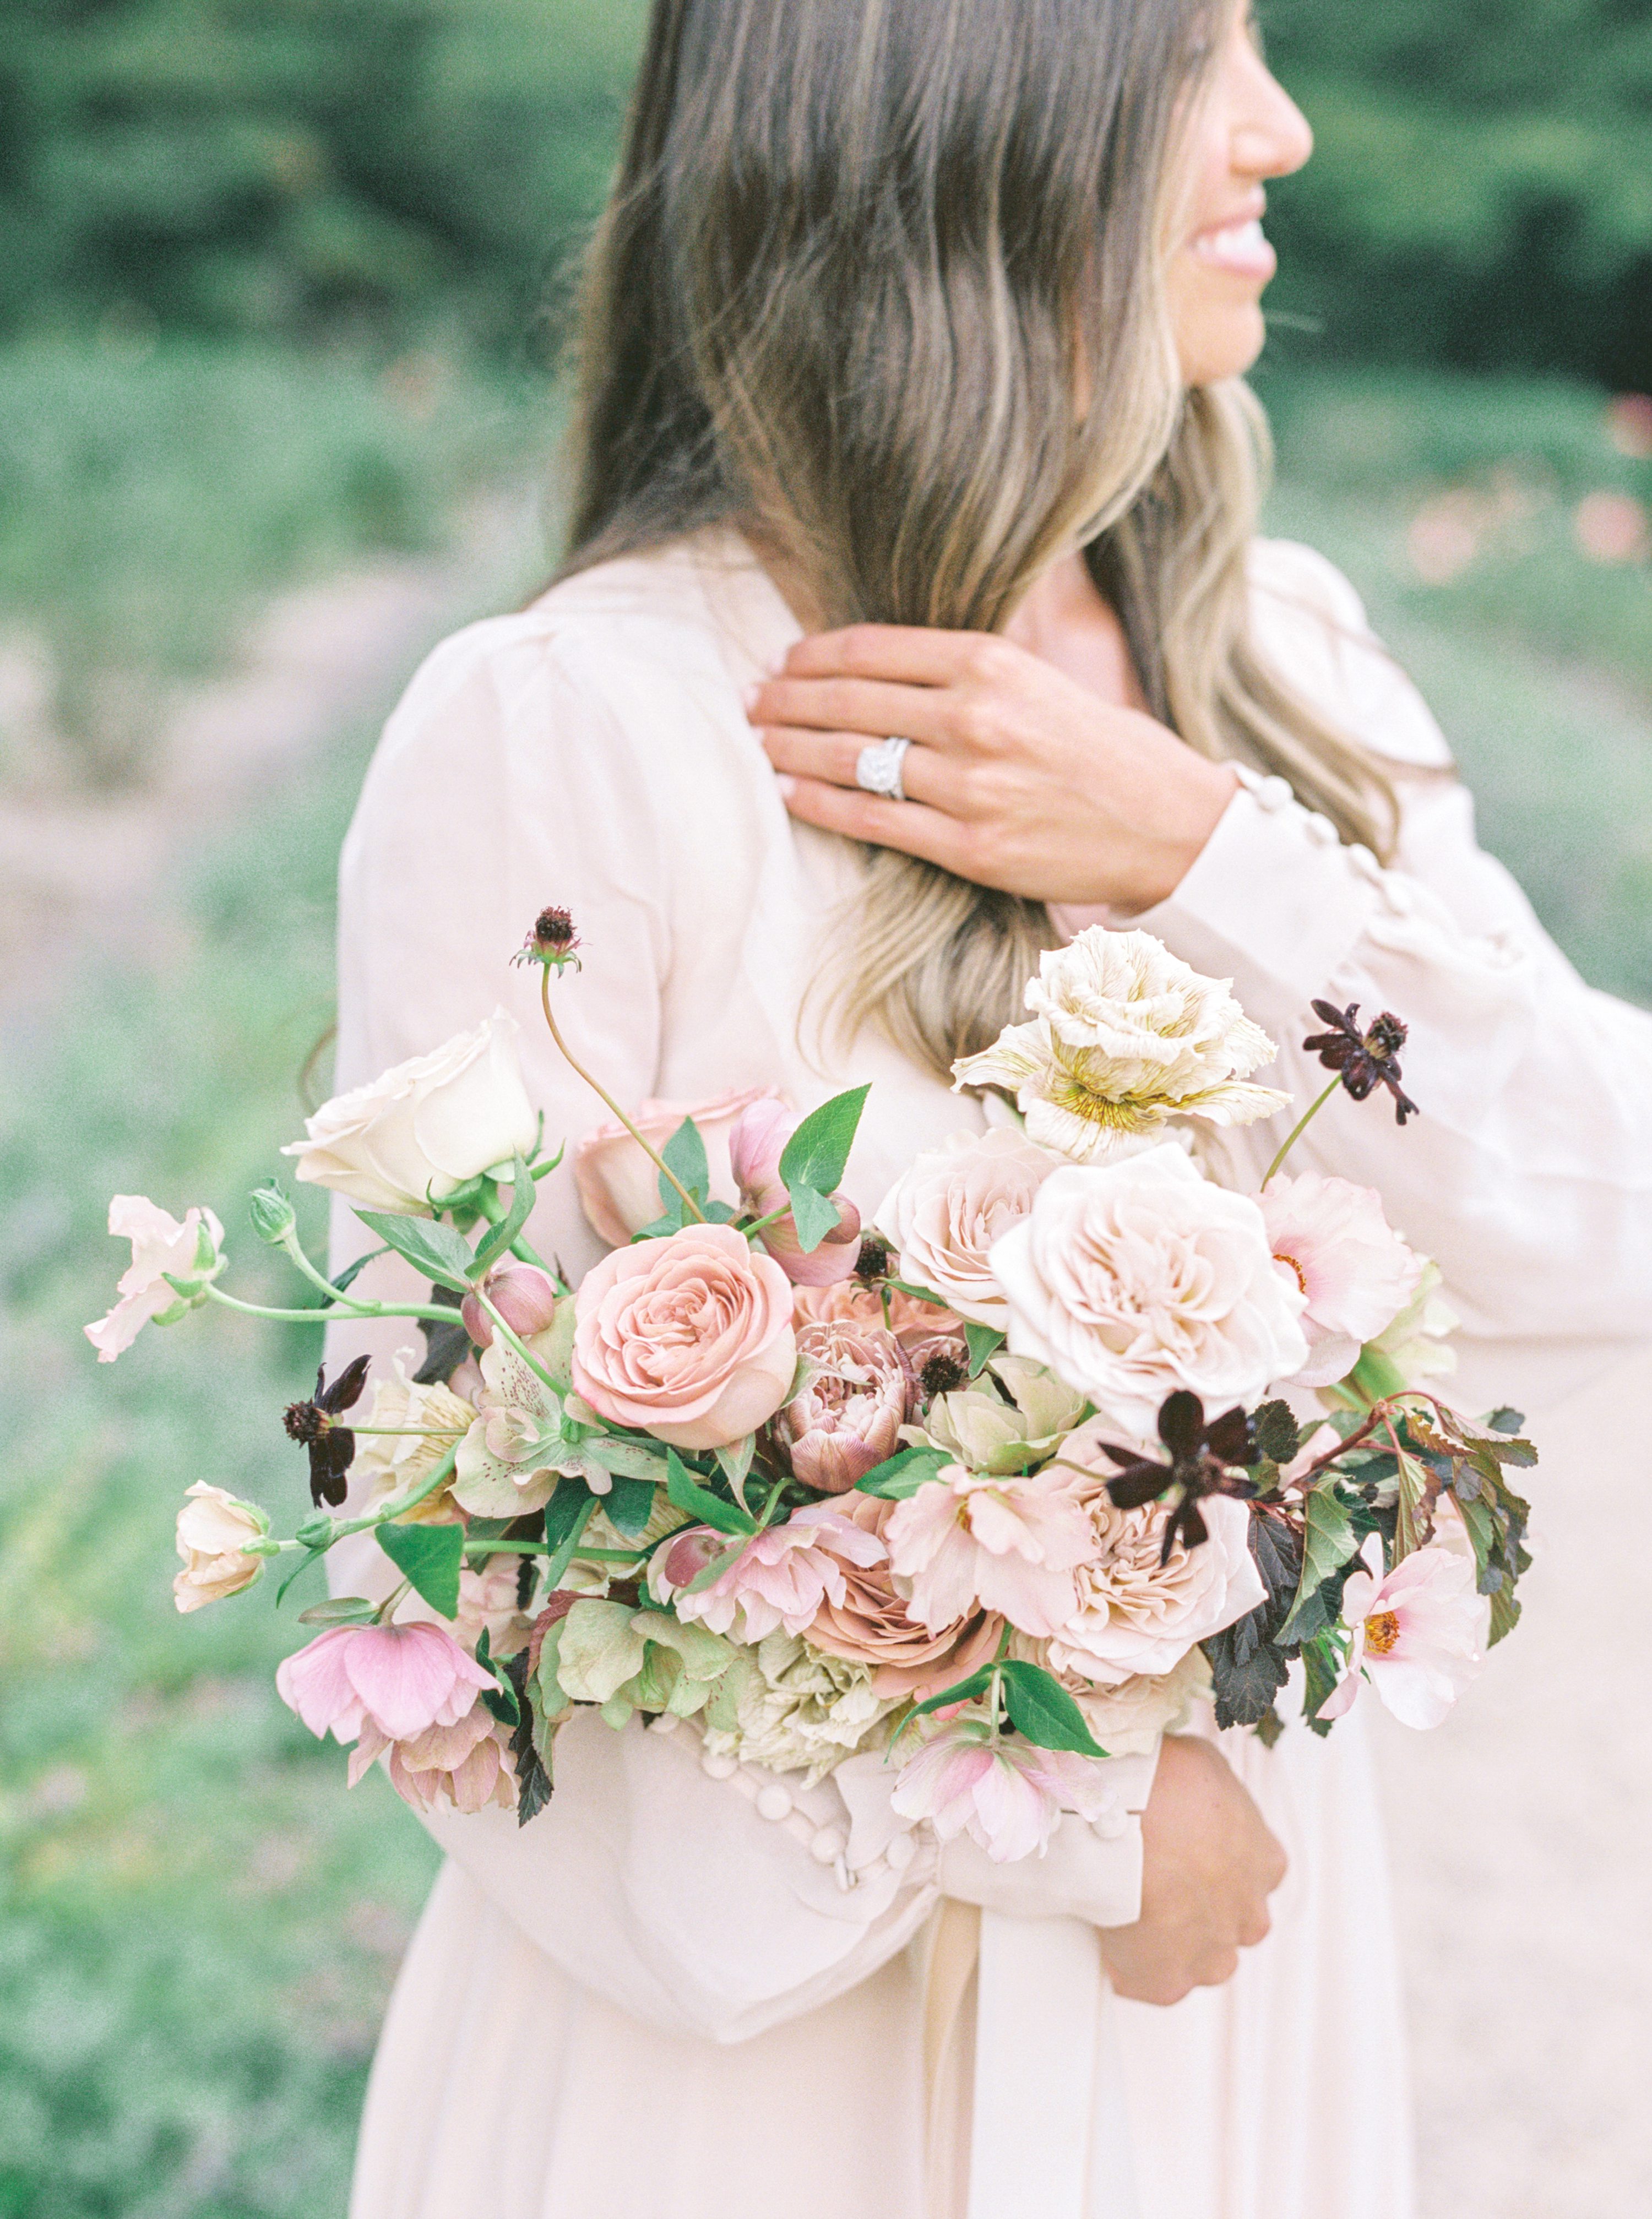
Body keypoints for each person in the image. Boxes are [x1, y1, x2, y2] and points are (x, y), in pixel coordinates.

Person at [325, 2, 1652, 2214]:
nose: (1284, 130)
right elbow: (440, 1560)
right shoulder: (584, 729)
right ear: (971, 122)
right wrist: (1082, 1825)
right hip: (755, 2095)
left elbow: (1605, 1204)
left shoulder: (1283, 671)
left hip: (1219, 2034)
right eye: (1205, 55)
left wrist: (1202, 860)